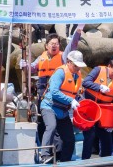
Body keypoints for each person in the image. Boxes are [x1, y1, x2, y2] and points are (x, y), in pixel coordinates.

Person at [20, 27, 82, 155]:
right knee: (46, 124)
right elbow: (32, 68)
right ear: (46, 45)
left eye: (57, 44)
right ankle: (45, 152)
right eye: (52, 44)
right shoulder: (41, 58)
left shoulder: (64, 58)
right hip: (44, 94)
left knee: (59, 128)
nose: (54, 46)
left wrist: (77, 33)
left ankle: (58, 153)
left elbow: (73, 46)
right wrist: (25, 65)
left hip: (61, 97)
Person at [39, 49, 87, 164]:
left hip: (63, 111)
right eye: (76, 66)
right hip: (49, 106)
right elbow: (54, 92)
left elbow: (75, 93)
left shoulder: (77, 75)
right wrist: (71, 100)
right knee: (51, 126)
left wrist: (78, 102)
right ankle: (44, 155)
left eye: (79, 66)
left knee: (69, 138)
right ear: (69, 62)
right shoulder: (60, 73)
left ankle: (65, 160)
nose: (78, 69)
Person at [81, 57, 113, 158]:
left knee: (106, 138)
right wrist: (99, 87)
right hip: (90, 107)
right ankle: (84, 161)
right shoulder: (98, 70)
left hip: (104, 111)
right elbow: (85, 82)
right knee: (89, 135)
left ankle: (105, 161)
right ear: (109, 66)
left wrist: (111, 122)